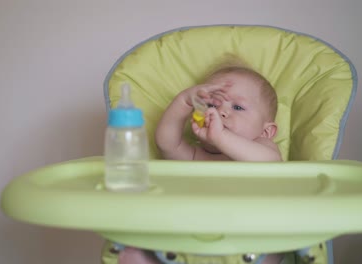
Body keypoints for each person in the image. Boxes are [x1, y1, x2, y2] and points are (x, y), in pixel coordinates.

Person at [118, 58, 284, 264]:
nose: (220, 111)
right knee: (135, 252)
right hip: (192, 245)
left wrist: (221, 137)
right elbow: (166, 143)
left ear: (267, 131)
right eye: (213, 104)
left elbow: (270, 164)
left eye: (238, 107)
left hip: (247, 245)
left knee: (276, 245)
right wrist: (184, 101)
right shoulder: (196, 156)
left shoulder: (264, 149)